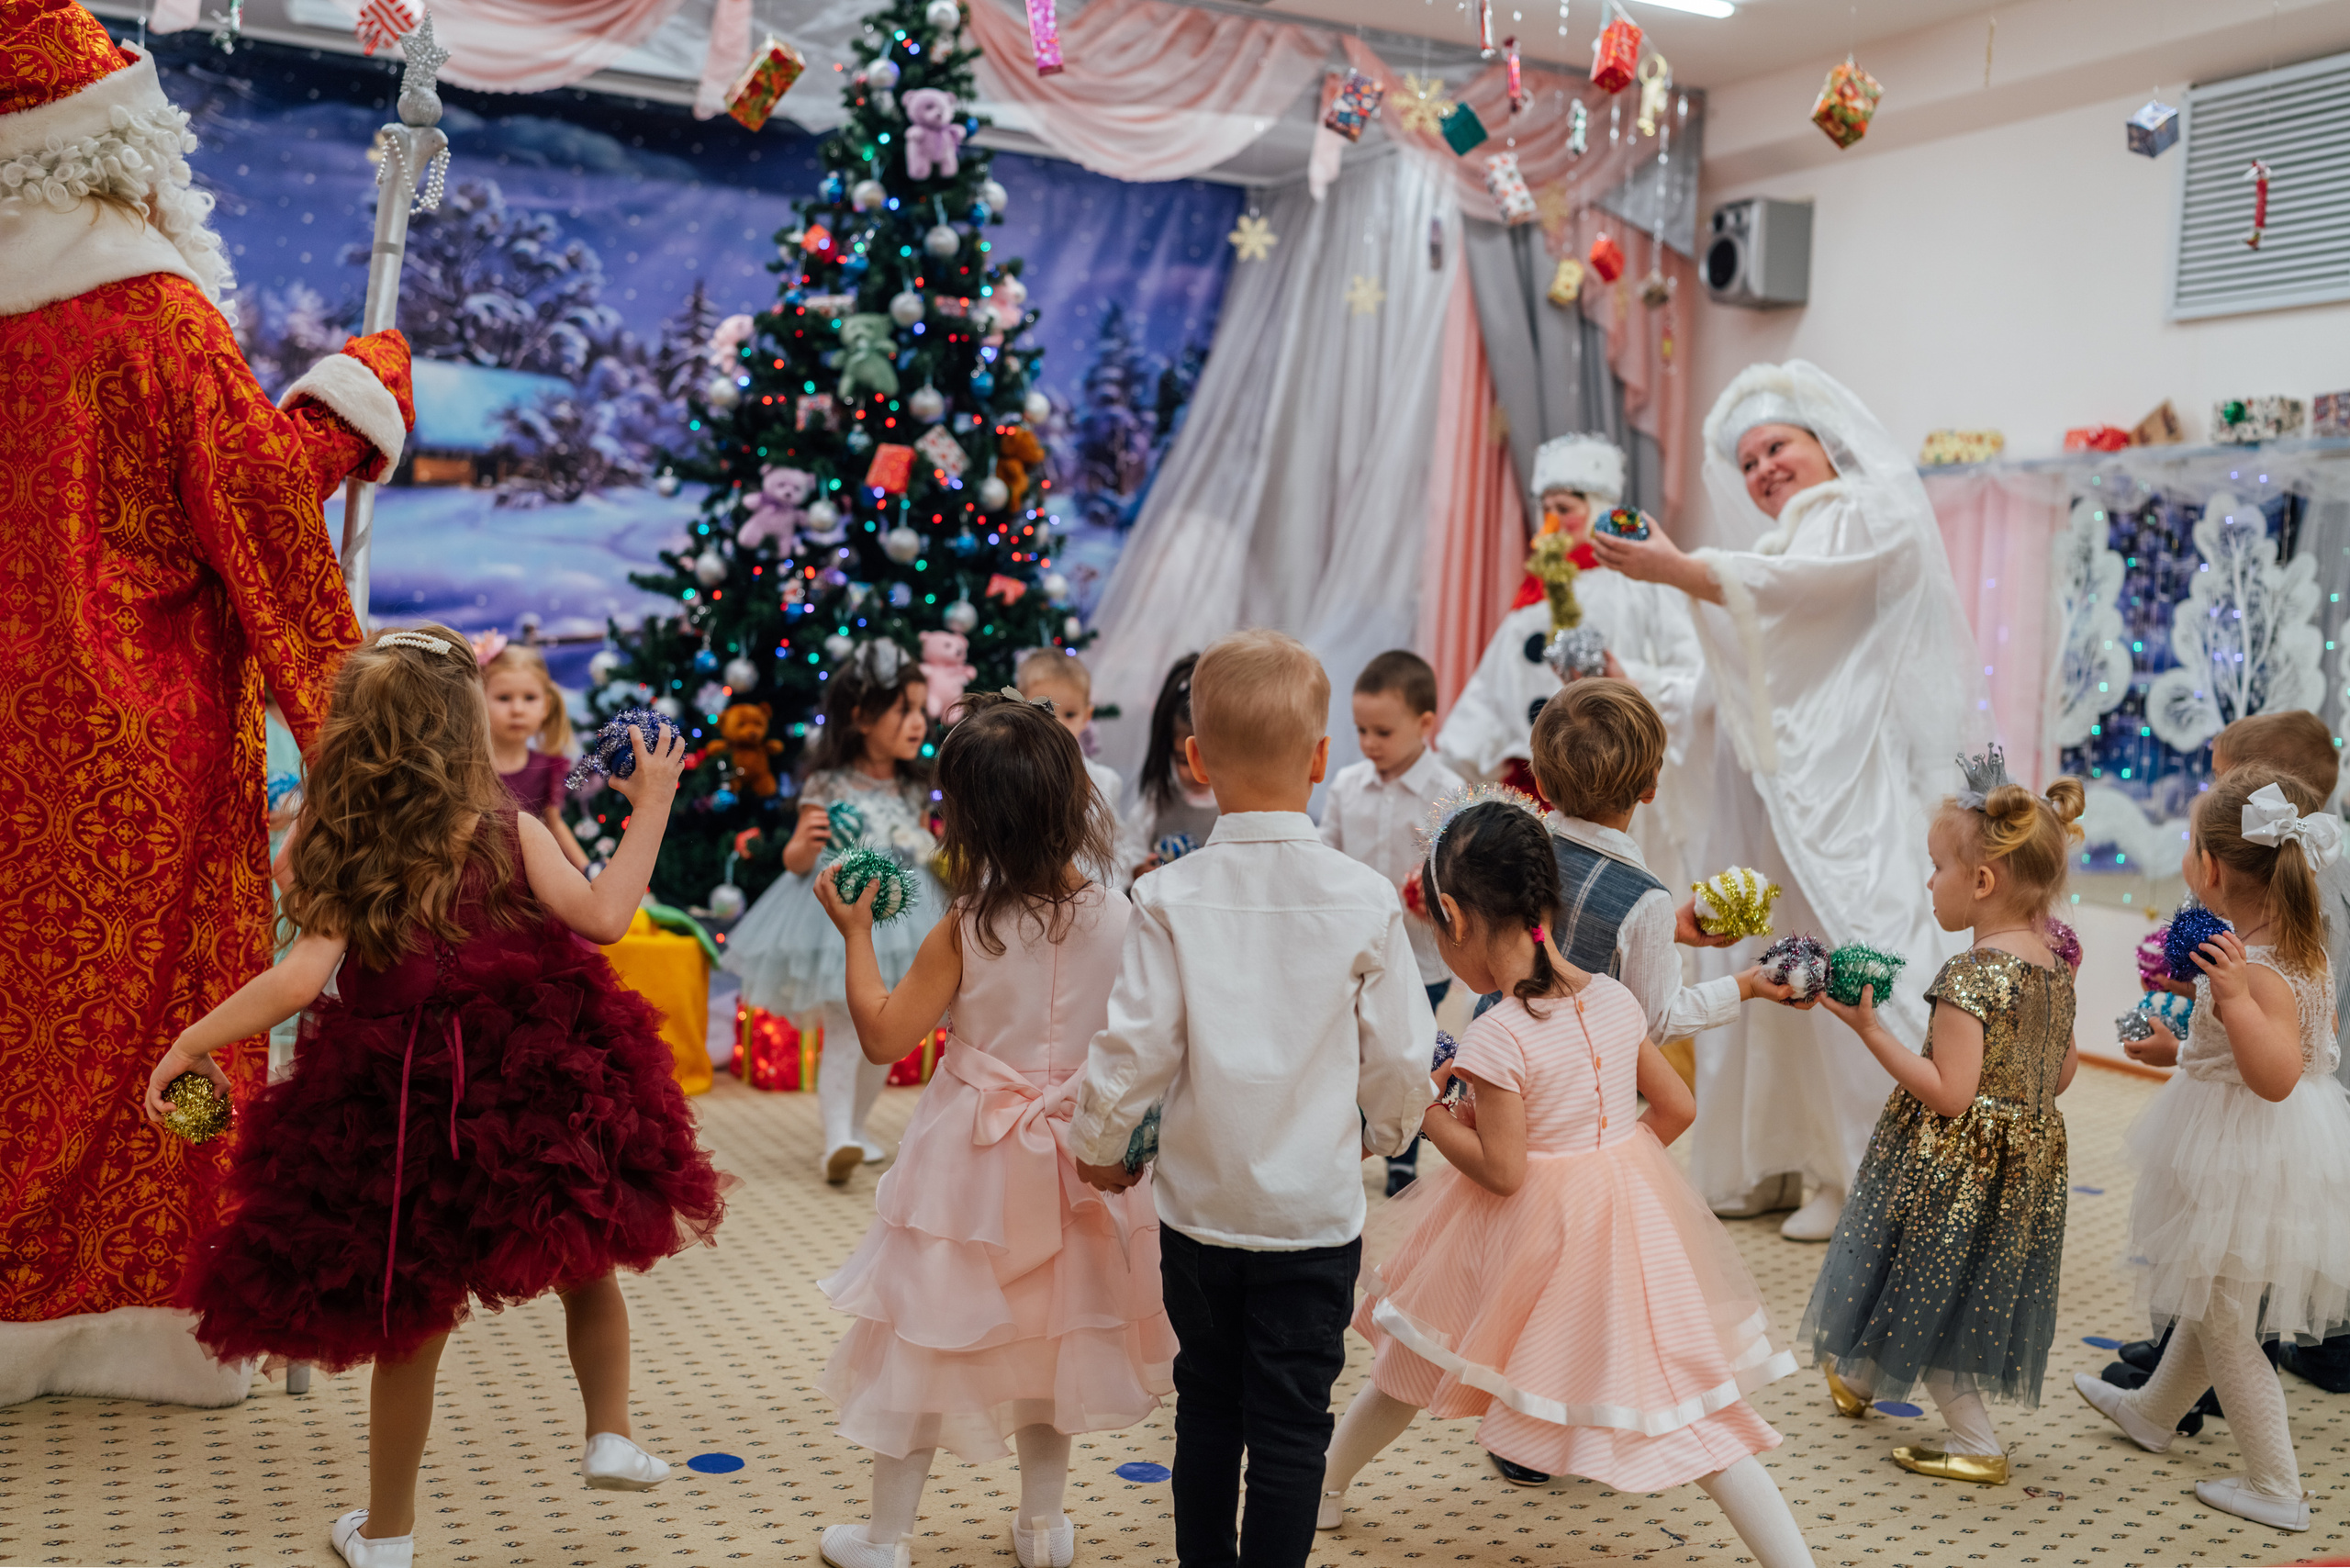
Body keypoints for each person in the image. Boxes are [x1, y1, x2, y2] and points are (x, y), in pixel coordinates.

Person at [0, 0, 415, 1405]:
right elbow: (249, 502)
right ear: (119, 144)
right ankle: (132, 1303)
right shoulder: (153, 315)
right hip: (135, 745)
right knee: (148, 1016)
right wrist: (353, 404)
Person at [148, 626, 730, 1568]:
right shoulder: (511, 827)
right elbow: (606, 917)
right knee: (585, 1259)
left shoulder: (344, 843)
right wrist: (652, 804)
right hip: (534, 1076)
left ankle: (387, 1535)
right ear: (466, 725)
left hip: (398, 1095)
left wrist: (191, 1041)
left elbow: (298, 979)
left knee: (410, 1320)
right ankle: (610, 1432)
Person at [1319, 794, 1815, 1568]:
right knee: (1693, 1408)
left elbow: (1504, 1171)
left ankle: (1323, 1490)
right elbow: (1677, 1108)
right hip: (1618, 1222)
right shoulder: (1614, 999)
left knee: (1414, 1355)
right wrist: (1608, 1165)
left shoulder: (1498, 1034)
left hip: (1509, 1229)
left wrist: (1427, 1111)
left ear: (1454, 917)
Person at [1593, 361, 1989, 1240]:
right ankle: (1790, 1160)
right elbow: (1726, 690)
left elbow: (1799, 601)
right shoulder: (1773, 551)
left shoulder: (1862, 514)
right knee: (1780, 973)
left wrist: (1680, 568)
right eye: (1748, 462)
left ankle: (1878, 1173)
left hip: (1841, 800)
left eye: (1777, 447)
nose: (1764, 468)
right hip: (1775, 813)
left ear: (1823, 444)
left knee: (1850, 956)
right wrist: (1635, 680)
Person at [1069, 629, 1433, 1568]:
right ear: (1321, 758)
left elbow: (1135, 1047)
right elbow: (1401, 1053)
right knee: (1292, 1424)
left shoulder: (1167, 897)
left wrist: (1097, 1145)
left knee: (1208, 1406)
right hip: (1314, 1216)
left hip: (1199, 1211)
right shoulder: (1364, 898)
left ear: (1194, 759)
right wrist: (1384, 1132)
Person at [809, 691, 1176, 1568]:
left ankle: (887, 1538)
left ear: (968, 819)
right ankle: (1043, 1527)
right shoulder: (1128, 918)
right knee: (1057, 1334)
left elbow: (884, 1037)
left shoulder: (967, 927)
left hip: (968, 1169)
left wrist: (855, 933)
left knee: (926, 1333)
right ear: (1077, 799)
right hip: (1081, 1157)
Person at [2075, 767, 2350, 1533]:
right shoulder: (2292, 949)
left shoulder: (2253, 969)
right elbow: (2262, 1049)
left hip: (2241, 1156)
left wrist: (2231, 999)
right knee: (2211, 1297)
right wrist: (2176, 1047)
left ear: (2212, 868)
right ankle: (2152, 1412)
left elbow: (2279, 1075)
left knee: (2225, 1318)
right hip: (2254, 1144)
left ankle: (2275, 1484)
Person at [1802, 751, 2083, 1486]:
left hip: (1959, 1164)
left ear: (1982, 882)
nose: (1929, 882)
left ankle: (1975, 1440)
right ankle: (1858, 1377)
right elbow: (2061, 1074)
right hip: (2025, 1162)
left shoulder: (1971, 974)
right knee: (1924, 1274)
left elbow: (1950, 1091)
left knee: (1932, 1290)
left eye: (1936, 868)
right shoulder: (2055, 967)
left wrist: (1871, 1031)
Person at [1436, 432, 1708, 889]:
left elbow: (1694, 675)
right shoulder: (1533, 600)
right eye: (1546, 509)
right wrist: (1455, 765)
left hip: (1621, 780)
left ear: (1597, 507)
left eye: (1564, 508)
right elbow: (1490, 693)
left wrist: (1631, 680)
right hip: (1539, 788)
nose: (1552, 522)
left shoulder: (1641, 587)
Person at [724, 640, 945, 1184]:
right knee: (849, 1030)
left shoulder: (914, 786)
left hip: (905, 919)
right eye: (904, 710)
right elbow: (797, 858)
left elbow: (922, 844)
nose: (919, 722)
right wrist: (805, 844)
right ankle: (837, 1138)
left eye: (921, 710)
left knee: (885, 1035)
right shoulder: (827, 783)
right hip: (838, 919)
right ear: (861, 717)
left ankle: (858, 1128)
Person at [1318, 650, 1465, 1195]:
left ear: (1424, 724)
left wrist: (1436, 894)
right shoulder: (1346, 785)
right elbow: (1325, 855)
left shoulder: (1448, 791)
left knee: (1411, 1053)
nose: (1369, 743)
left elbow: (1462, 872)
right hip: (1354, 951)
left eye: (1383, 731)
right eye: (1361, 730)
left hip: (1423, 955)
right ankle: (1356, 1140)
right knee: (1356, 1051)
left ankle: (1405, 1151)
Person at [478, 635, 589, 871]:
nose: (517, 709)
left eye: (530, 698)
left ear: (546, 706)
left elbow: (555, 825)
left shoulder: (548, 767)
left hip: (532, 878)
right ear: (479, 701)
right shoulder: (467, 766)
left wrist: (589, 870)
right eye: (504, 698)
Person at [1017, 648, 1125, 888]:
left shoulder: (1106, 781)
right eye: (1044, 710)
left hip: (1093, 895)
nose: (1058, 724)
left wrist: (1112, 894)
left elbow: (1115, 846)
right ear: (1021, 709)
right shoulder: (1013, 776)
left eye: (1069, 714)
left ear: (1087, 716)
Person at [1114, 653, 1217, 885]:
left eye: (1207, 760)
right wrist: (1139, 871)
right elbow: (1128, 856)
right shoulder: (1155, 803)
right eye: (1183, 761)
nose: (1196, 771)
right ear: (1168, 752)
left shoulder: (1233, 804)